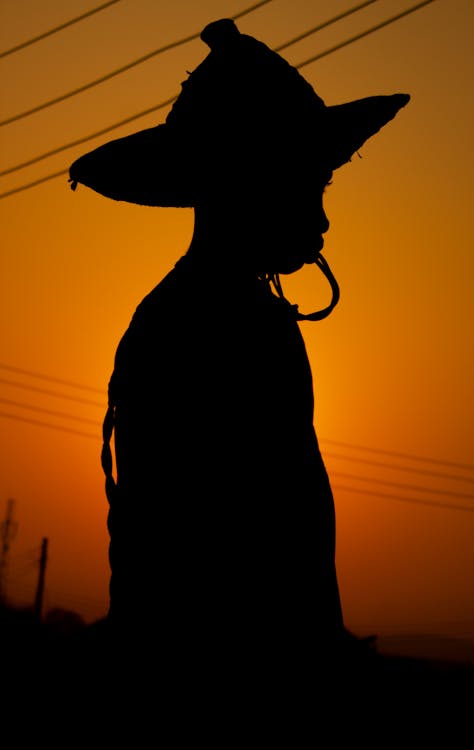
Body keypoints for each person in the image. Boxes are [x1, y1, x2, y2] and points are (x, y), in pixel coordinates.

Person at [69, 19, 409, 696]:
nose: (321, 219)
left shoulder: (227, 315)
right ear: (246, 183)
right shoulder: (210, 324)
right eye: (305, 187)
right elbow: (227, 550)